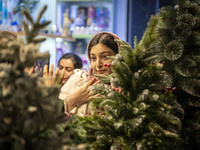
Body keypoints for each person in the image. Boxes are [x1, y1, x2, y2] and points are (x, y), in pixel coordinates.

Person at [59, 32, 120, 116]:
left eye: (105, 57)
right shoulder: (78, 80)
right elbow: (52, 117)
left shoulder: (124, 87)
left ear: (119, 56)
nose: (98, 64)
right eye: (93, 58)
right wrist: (72, 101)